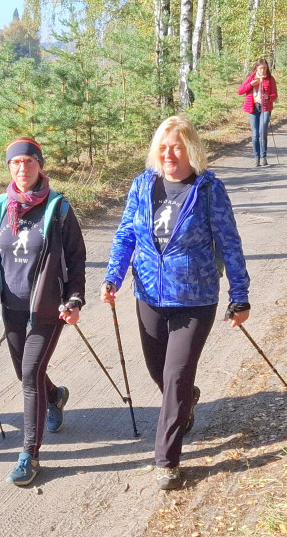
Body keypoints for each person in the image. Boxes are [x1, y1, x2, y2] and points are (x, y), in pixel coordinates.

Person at [101, 116, 250, 491]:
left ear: (191, 149)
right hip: (149, 294)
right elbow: (125, 236)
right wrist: (113, 277)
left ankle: (167, 460)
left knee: (175, 375)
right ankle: (186, 400)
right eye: (163, 147)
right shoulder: (142, 185)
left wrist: (240, 294)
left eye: (177, 147)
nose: (169, 154)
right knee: (159, 371)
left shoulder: (208, 188)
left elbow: (229, 243)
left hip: (195, 297)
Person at [0, 137, 87, 488]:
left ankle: (29, 453)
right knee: (25, 374)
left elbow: (75, 260)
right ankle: (55, 396)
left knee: (29, 375)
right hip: (10, 307)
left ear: (39, 165)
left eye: (28, 161)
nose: (22, 168)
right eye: (15, 163)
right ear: (9, 167)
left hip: (47, 307)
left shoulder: (58, 208)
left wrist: (74, 299)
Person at [237, 58, 278, 167]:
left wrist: (268, 97)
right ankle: (257, 157)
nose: (263, 70)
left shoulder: (270, 79)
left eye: (265, 68)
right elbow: (240, 91)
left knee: (263, 131)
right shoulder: (251, 78)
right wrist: (250, 84)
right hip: (253, 108)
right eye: (261, 68)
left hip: (265, 107)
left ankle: (264, 157)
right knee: (255, 134)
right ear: (256, 68)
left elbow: (275, 95)